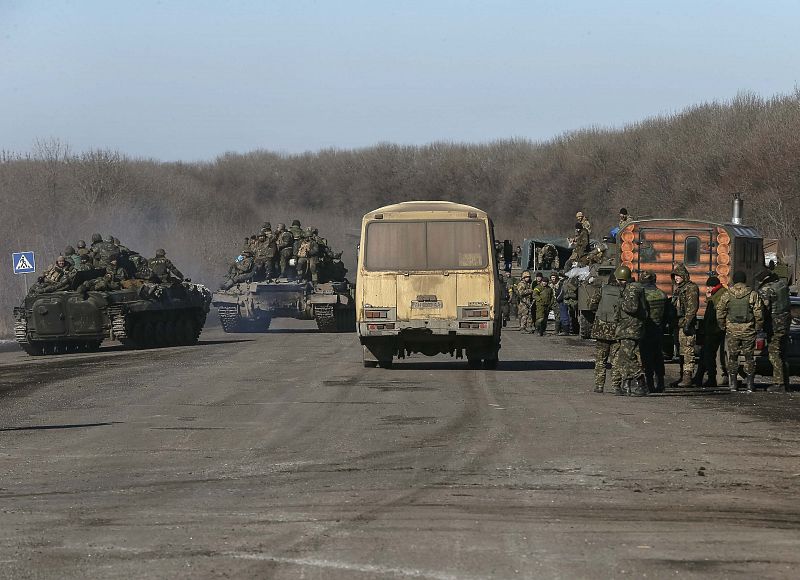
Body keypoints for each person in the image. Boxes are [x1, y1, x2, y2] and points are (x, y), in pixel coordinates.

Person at [717, 271, 763, 393]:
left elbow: (720, 311)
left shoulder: (727, 294)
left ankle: (733, 384)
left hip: (732, 330)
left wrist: (722, 325)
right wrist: (758, 327)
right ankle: (749, 385)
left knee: (732, 357)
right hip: (748, 329)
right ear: (744, 280)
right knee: (749, 357)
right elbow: (759, 313)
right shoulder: (752, 294)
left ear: (734, 280)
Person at [613, 265, 648, 396]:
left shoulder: (632, 289)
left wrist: (620, 301)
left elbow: (632, 308)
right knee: (624, 357)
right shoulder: (629, 288)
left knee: (627, 357)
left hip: (631, 328)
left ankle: (641, 382)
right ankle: (626, 384)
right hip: (627, 328)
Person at [756, 269, 791, 392]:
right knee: (783, 354)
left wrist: (758, 325)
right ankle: (785, 382)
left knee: (774, 354)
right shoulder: (782, 284)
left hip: (774, 325)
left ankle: (779, 383)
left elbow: (763, 309)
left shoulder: (767, 290)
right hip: (785, 324)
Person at [588, 272, 623, 394]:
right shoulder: (623, 292)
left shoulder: (602, 290)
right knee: (616, 360)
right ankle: (616, 386)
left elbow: (592, 305)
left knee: (600, 359)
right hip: (617, 330)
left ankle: (599, 385)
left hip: (601, 329)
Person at [671, 263, 699, 387]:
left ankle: (687, 377)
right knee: (681, 353)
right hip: (678, 324)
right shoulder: (679, 289)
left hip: (686, 325)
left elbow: (692, 307)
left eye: (678, 275)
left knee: (688, 352)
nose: (676, 278)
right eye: (675, 276)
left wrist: (688, 323)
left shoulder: (690, 288)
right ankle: (683, 376)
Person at [697, 276, 728, 387]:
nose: (707, 289)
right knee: (705, 353)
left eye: (709, 286)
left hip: (714, 329)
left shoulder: (719, 294)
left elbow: (714, 311)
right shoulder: (721, 292)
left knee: (709, 354)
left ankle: (711, 378)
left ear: (712, 286)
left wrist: (709, 298)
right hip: (713, 328)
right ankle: (699, 377)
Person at [640, 271, 667, 393]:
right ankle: (660, 383)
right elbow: (667, 313)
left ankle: (650, 384)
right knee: (658, 357)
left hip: (646, 330)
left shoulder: (642, 295)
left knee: (647, 358)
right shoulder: (662, 294)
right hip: (659, 329)